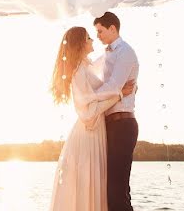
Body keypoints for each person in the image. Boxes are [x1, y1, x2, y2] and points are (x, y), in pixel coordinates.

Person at [48, 26, 135, 211]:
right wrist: (118, 95)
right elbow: (88, 113)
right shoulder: (79, 71)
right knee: (88, 186)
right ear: (80, 43)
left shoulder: (85, 66)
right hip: (89, 134)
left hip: (95, 132)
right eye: (88, 38)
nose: (92, 40)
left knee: (95, 186)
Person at [94, 11, 139, 211]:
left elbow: (112, 86)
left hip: (122, 124)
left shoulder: (126, 52)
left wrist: (91, 97)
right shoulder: (106, 55)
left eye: (100, 31)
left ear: (113, 28)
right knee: (109, 187)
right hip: (108, 124)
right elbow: (89, 74)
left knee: (118, 188)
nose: (97, 36)